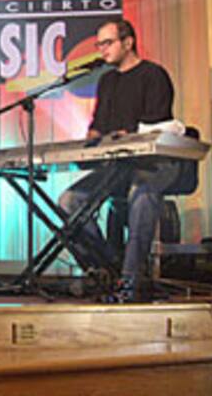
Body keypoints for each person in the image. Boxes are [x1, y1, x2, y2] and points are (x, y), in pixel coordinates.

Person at [59, 19, 180, 301]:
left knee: (141, 193)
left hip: (152, 164)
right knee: (69, 201)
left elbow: (157, 125)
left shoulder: (153, 74)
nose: (102, 49)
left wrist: (128, 134)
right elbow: (99, 125)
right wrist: (89, 142)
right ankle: (109, 267)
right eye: (99, 44)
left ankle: (130, 279)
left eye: (107, 43)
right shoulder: (107, 81)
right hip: (117, 167)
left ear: (128, 43)